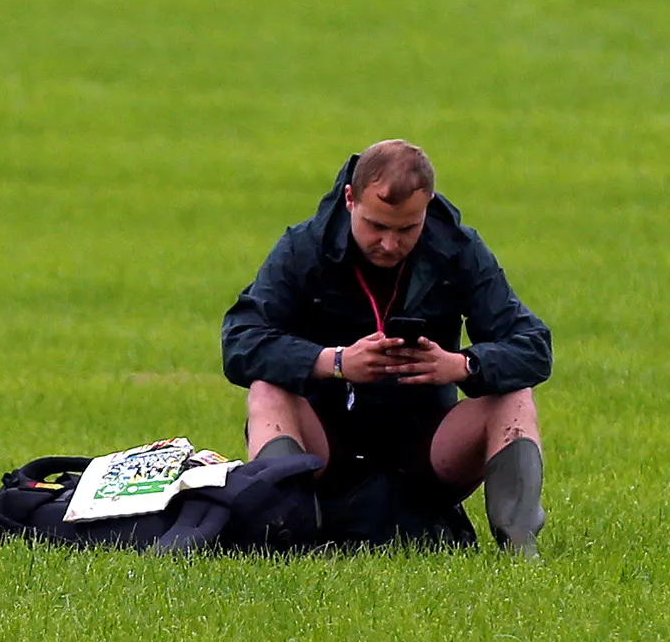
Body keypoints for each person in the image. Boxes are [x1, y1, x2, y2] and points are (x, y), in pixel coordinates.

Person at [222, 141, 551, 551]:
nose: (390, 244)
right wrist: (334, 362)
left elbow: (533, 346)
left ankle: (520, 547)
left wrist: (462, 366)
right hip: (327, 447)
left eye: (407, 229)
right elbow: (240, 340)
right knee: (266, 392)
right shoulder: (303, 247)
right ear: (350, 199)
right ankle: (287, 540)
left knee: (514, 396)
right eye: (376, 226)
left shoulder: (458, 249)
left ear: (428, 207)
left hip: (427, 448)